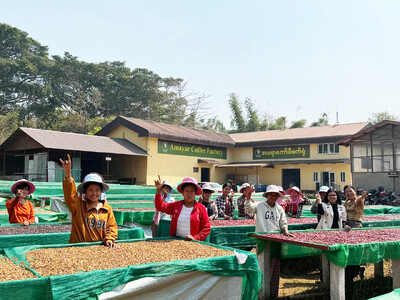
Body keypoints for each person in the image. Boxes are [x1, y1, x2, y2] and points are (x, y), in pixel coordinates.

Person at [60, 154, 118, 247]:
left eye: (97, 190)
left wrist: (110, 239)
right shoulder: (78, 207)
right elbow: (70, 196)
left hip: (99, 249)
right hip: (79, 249)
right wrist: (68, 175)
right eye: (90, 190)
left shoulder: (107, 209)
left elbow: (112, 227)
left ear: (101, 191)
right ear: (85, 192)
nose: (94, 193)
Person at [245, 185, 292, 300]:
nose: (273, 197)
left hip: (275, 239)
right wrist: (248, 196)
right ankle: (261, 292)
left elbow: (283, 222)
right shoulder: (260, 205)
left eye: (275, 195)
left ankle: (273, 294)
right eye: (271, 194)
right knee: (262, 265)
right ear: (267, 195)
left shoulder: (279, 208)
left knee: (275, 267)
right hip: (262, 239)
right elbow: (249, 208)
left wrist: (285, 231)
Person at [154, 176, 210, 241]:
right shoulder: (176, 206)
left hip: (193, 244)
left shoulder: (201, 208)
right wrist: (158, 191)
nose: (189, 194)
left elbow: (206, 228)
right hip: (176, 242)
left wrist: (195, 238)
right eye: (186, 191)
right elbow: (160, 206)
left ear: (195, 193)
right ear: (182, 193)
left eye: (192, 191)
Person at [343, 185, 367, 283]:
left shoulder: (358, 201)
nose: (349, 193)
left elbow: (361, 200)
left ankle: (357, 269)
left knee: (355, 249)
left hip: (356, 225)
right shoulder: (346, 202)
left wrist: (363, 196)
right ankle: (351, 271)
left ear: (355, 192)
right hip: (347, 226)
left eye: (350, 191)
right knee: (349, 249)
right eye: (346, 192)